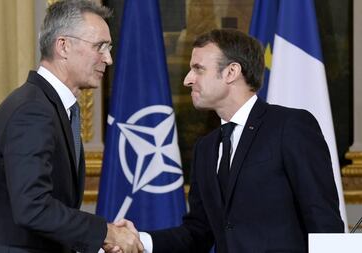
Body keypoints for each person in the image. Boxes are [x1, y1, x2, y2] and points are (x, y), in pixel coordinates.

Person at [115, 28, 344, 253]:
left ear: (231, 72)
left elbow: (324, 221)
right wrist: (141, 241)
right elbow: (198, 233)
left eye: (198, 69)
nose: (187, 80)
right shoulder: (205, 148)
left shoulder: (290, 126)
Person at [0, 1, 143, 253]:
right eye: (100, 47)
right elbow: (33, 207)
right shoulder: (33, 111)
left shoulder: (48, 106)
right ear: (63, 46)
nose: (108, 58)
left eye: (109, 47)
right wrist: (107, 232)